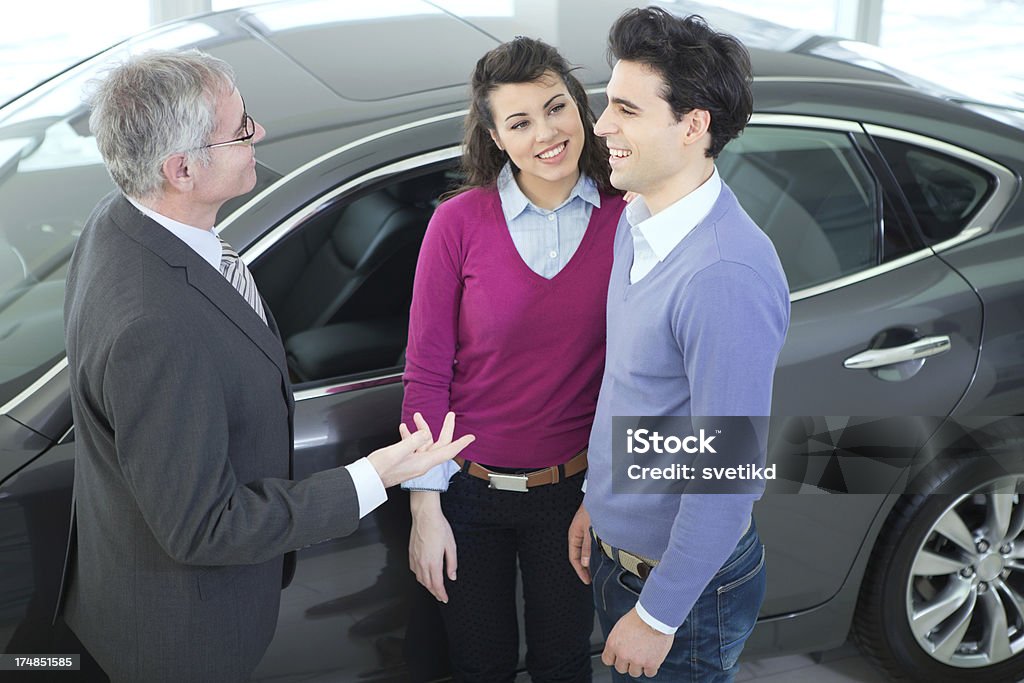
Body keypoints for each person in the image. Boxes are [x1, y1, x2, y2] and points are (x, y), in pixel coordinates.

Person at [60, 49, 473, 682]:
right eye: (242, 128)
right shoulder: (157, 328)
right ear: (181, 170)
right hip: (186, 642)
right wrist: (375, 474)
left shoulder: (117, 219)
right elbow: (205, 529)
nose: (260, 134)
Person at [567, 8, 790, 682]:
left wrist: (659, 614)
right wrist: (600, 504)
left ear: (694, 126)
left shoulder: (725, 276)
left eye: (627, 109)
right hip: (622, 555)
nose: (601, 124)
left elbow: (726, 479)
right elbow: (641, 394)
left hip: (682, 592)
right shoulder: (637, 220)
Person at [401, 37, 626, 682]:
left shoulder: (627, 217)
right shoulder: (457, 224)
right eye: (520, 122)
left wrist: (603, 494)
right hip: (467, 495)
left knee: (563, 664)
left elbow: (636, 373)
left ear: (581, 108)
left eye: (556, 109)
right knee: (479, 665)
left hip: (574, 495)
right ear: (496, 137)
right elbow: (426, 374)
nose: (547, 134)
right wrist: (426, 508)